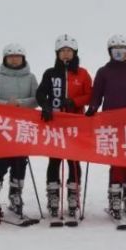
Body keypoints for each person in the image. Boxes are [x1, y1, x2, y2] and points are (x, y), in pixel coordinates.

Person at [87, 35, 126, 220]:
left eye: (122, 47)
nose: (119, 51)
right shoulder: (104, 71)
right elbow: (97, 94)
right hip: (111, 124)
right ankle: (114, 198)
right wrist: (93, 108)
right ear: (110, 51)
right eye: (115, 48)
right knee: (116, 162)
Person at [36, 35, 92, 219]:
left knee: (74, 161)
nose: (66, 54)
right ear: (57, 54)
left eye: (69, 51)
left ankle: (73, 196)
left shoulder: (82, 73)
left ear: (75, 53)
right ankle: (53, 197)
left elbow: (90, 95)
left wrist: (74, 101)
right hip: (55, 125)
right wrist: (45, 105)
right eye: (62, 51)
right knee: (54, 161)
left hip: (75, 125)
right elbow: (40, 93)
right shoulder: (50, 73)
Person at [0, 44, 38, 218]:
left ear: (23, 58)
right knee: (1, 163)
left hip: (22, 127)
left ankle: (15, 196)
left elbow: (37, 99)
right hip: (2, 127)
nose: (14, 59)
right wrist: (6, 105)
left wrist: (21, 103)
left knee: (20, 162)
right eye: (11, 56)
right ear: (5, 59)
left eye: (18, 56)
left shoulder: (30, 77)